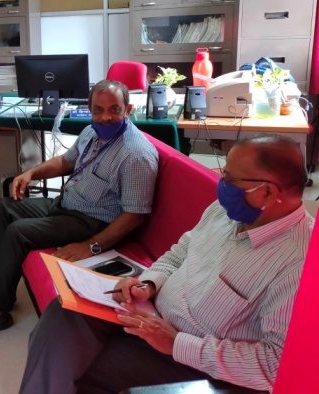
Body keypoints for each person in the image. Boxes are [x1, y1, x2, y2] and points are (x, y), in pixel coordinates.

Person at [20, 134, 312, 394]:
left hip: (194, 361)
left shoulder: (300, 264)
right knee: (64, 312)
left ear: (268, 192)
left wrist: (177, 343)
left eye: (230, 180)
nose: (221, 185)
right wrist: (148, 283)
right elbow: (181, 251)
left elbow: (276, 364)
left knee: (69, 361)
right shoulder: (227, 212)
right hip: (152, 318)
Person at [0, 80, 159, 340]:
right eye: (98, 110)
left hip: (93, 221)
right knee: (4, 208)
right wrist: (31, 173)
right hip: (67, 204)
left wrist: (91, 246)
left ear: (127, 110)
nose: (105, 117)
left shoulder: (137, 155)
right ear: (90, 110)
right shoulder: (91, 132)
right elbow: (65, 162)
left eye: (114, 109)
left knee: (18, 232)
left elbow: (135, 215)